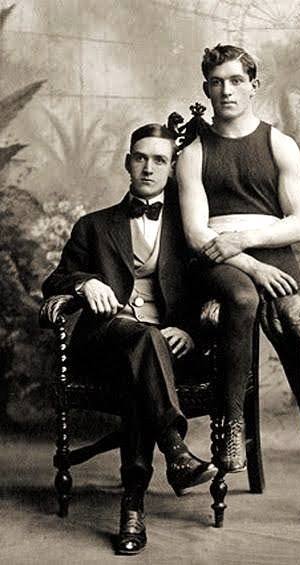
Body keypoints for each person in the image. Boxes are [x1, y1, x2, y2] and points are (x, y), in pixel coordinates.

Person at [176, 44, 300, 534]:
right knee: (242, 296)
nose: (226, 90)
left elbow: (299, 223)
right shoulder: (192, 154)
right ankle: (232, 425)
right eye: (217, 82)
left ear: (253, 85)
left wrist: (247, 241)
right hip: (219, 263)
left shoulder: (280, 144)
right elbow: (195, 234)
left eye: (236, 80)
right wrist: (248, 263)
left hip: (271, 255)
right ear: (206, 88)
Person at [42, 123, 217, 556]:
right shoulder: (94, 225)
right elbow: (54, 282)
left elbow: (211, 289)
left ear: (172, 168)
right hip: (107, 340)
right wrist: (85, 283)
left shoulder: (190, 227)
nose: (148, 167)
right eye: (140, 157)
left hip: (168, 349)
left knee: (140, 378)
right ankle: (175, 451)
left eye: (159, 160)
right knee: (140, 343)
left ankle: (133, 506)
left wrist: (190, 332)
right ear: (127, 162)